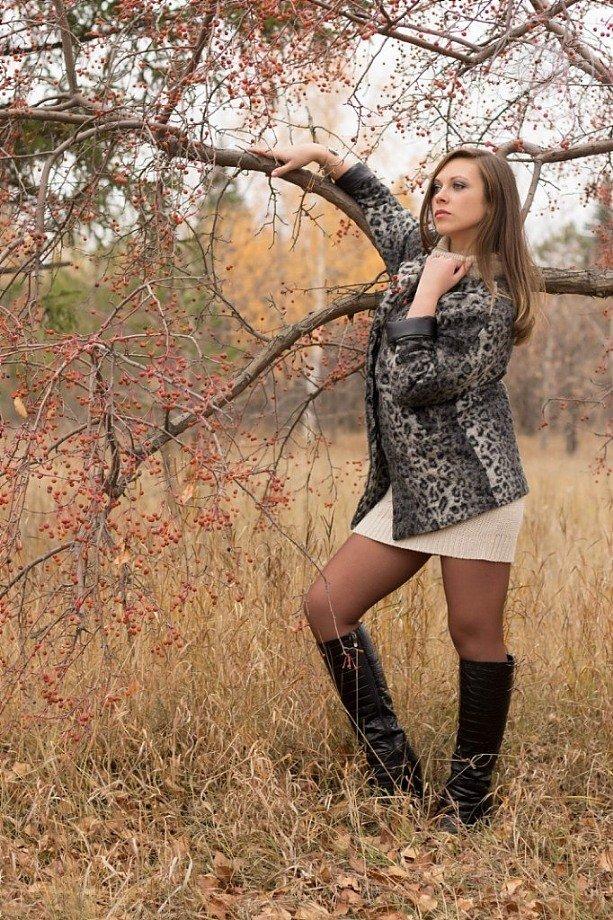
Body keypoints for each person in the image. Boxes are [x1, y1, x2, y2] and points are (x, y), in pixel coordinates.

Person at [246, 140, 544, 833]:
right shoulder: (419, 254)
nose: (440, 195)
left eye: (459, 186)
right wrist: (324, 157)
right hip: (410, 488)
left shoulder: (493, 301)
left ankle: (468, 799)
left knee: (474, 634)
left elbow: (415, 382)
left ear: (492, 203)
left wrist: (429, 293)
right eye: (438, 184)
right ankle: (394, 774)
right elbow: (378, 205)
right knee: (327, 605)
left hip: (473, 487)